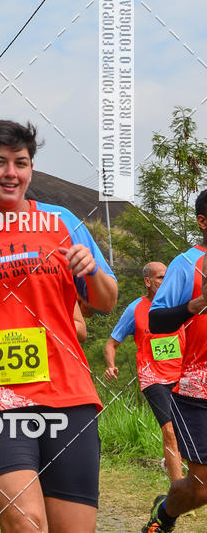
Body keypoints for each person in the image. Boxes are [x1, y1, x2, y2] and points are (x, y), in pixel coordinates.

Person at [0, 120, 118, 533]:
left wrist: (92, 270)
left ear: (31, 169)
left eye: (21, 162)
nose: (10, 172)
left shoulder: (62, 222)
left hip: (66, 394)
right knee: (27, 523)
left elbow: (105, 300)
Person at [141, 190, 207, 532]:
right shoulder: (186, 264)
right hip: (196, 390)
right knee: (202, 487)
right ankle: (165, 514)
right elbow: (157, 322)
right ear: (203, 221)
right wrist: (198, 303)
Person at [104, 262, 183, 482]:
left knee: (186, 432)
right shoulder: (135, 309)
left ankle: (170, 461)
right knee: (169, 430)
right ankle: (178, 490)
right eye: (160, 278)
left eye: (167, 277)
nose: (165, 281)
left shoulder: (180, 301)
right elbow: (111, 343)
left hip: (182, 374)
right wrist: (111, 365)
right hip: (153, 377)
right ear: (147, 281)